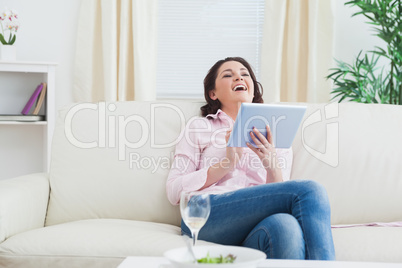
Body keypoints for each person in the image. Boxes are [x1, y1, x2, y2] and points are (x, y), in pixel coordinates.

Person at [166, 57, 335, 260]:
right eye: (228, 75)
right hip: (207, 216)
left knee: (285, 225)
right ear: (213, 93)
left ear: (253, 90)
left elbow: (279, 197)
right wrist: (225, 164)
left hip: (257, 224)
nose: (239, 76)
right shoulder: (199, 127)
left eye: (245, 74)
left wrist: (272, 166)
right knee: (310, 190)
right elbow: (174, 190)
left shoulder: (278, 133)